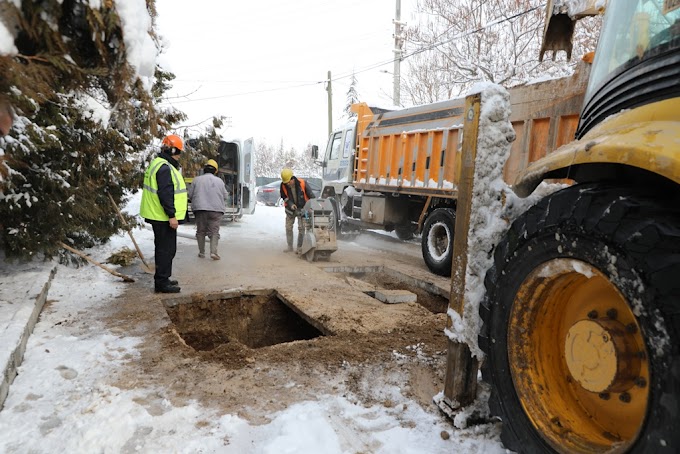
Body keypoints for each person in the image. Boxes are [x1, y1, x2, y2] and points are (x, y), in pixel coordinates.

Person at [140, 134, 188, 293]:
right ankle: (162, 282)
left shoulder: (158, 163)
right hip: (163, 217)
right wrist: (172, 216)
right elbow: (166, 194)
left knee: (164, 249)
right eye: (178, 152)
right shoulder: (164, 167)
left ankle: (163, 278)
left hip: (158, 216)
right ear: (172, 150)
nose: (179, 156)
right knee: (166, 250)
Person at [188, 159, 227, 260]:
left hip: (200, 209)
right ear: (215, 171)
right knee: (214, 231)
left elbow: (190, 195)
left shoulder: (196, 180)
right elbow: (225, 196)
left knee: (200, 231)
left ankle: (201, 253)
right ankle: (213, 252)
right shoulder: (220, 181)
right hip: (216, 210)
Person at [279, 168, 315, 253]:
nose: (287, 184)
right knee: (288, 228)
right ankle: (290, 246)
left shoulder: (303, 183)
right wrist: (291, 204)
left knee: (302, 228)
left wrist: (311, 206)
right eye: (285, 182)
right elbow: (284, 197)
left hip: (303, 209)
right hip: (290, 210)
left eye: (288, 182)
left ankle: (299, 247)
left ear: (292, 178)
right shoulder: (283, 185)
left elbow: (312, 197)